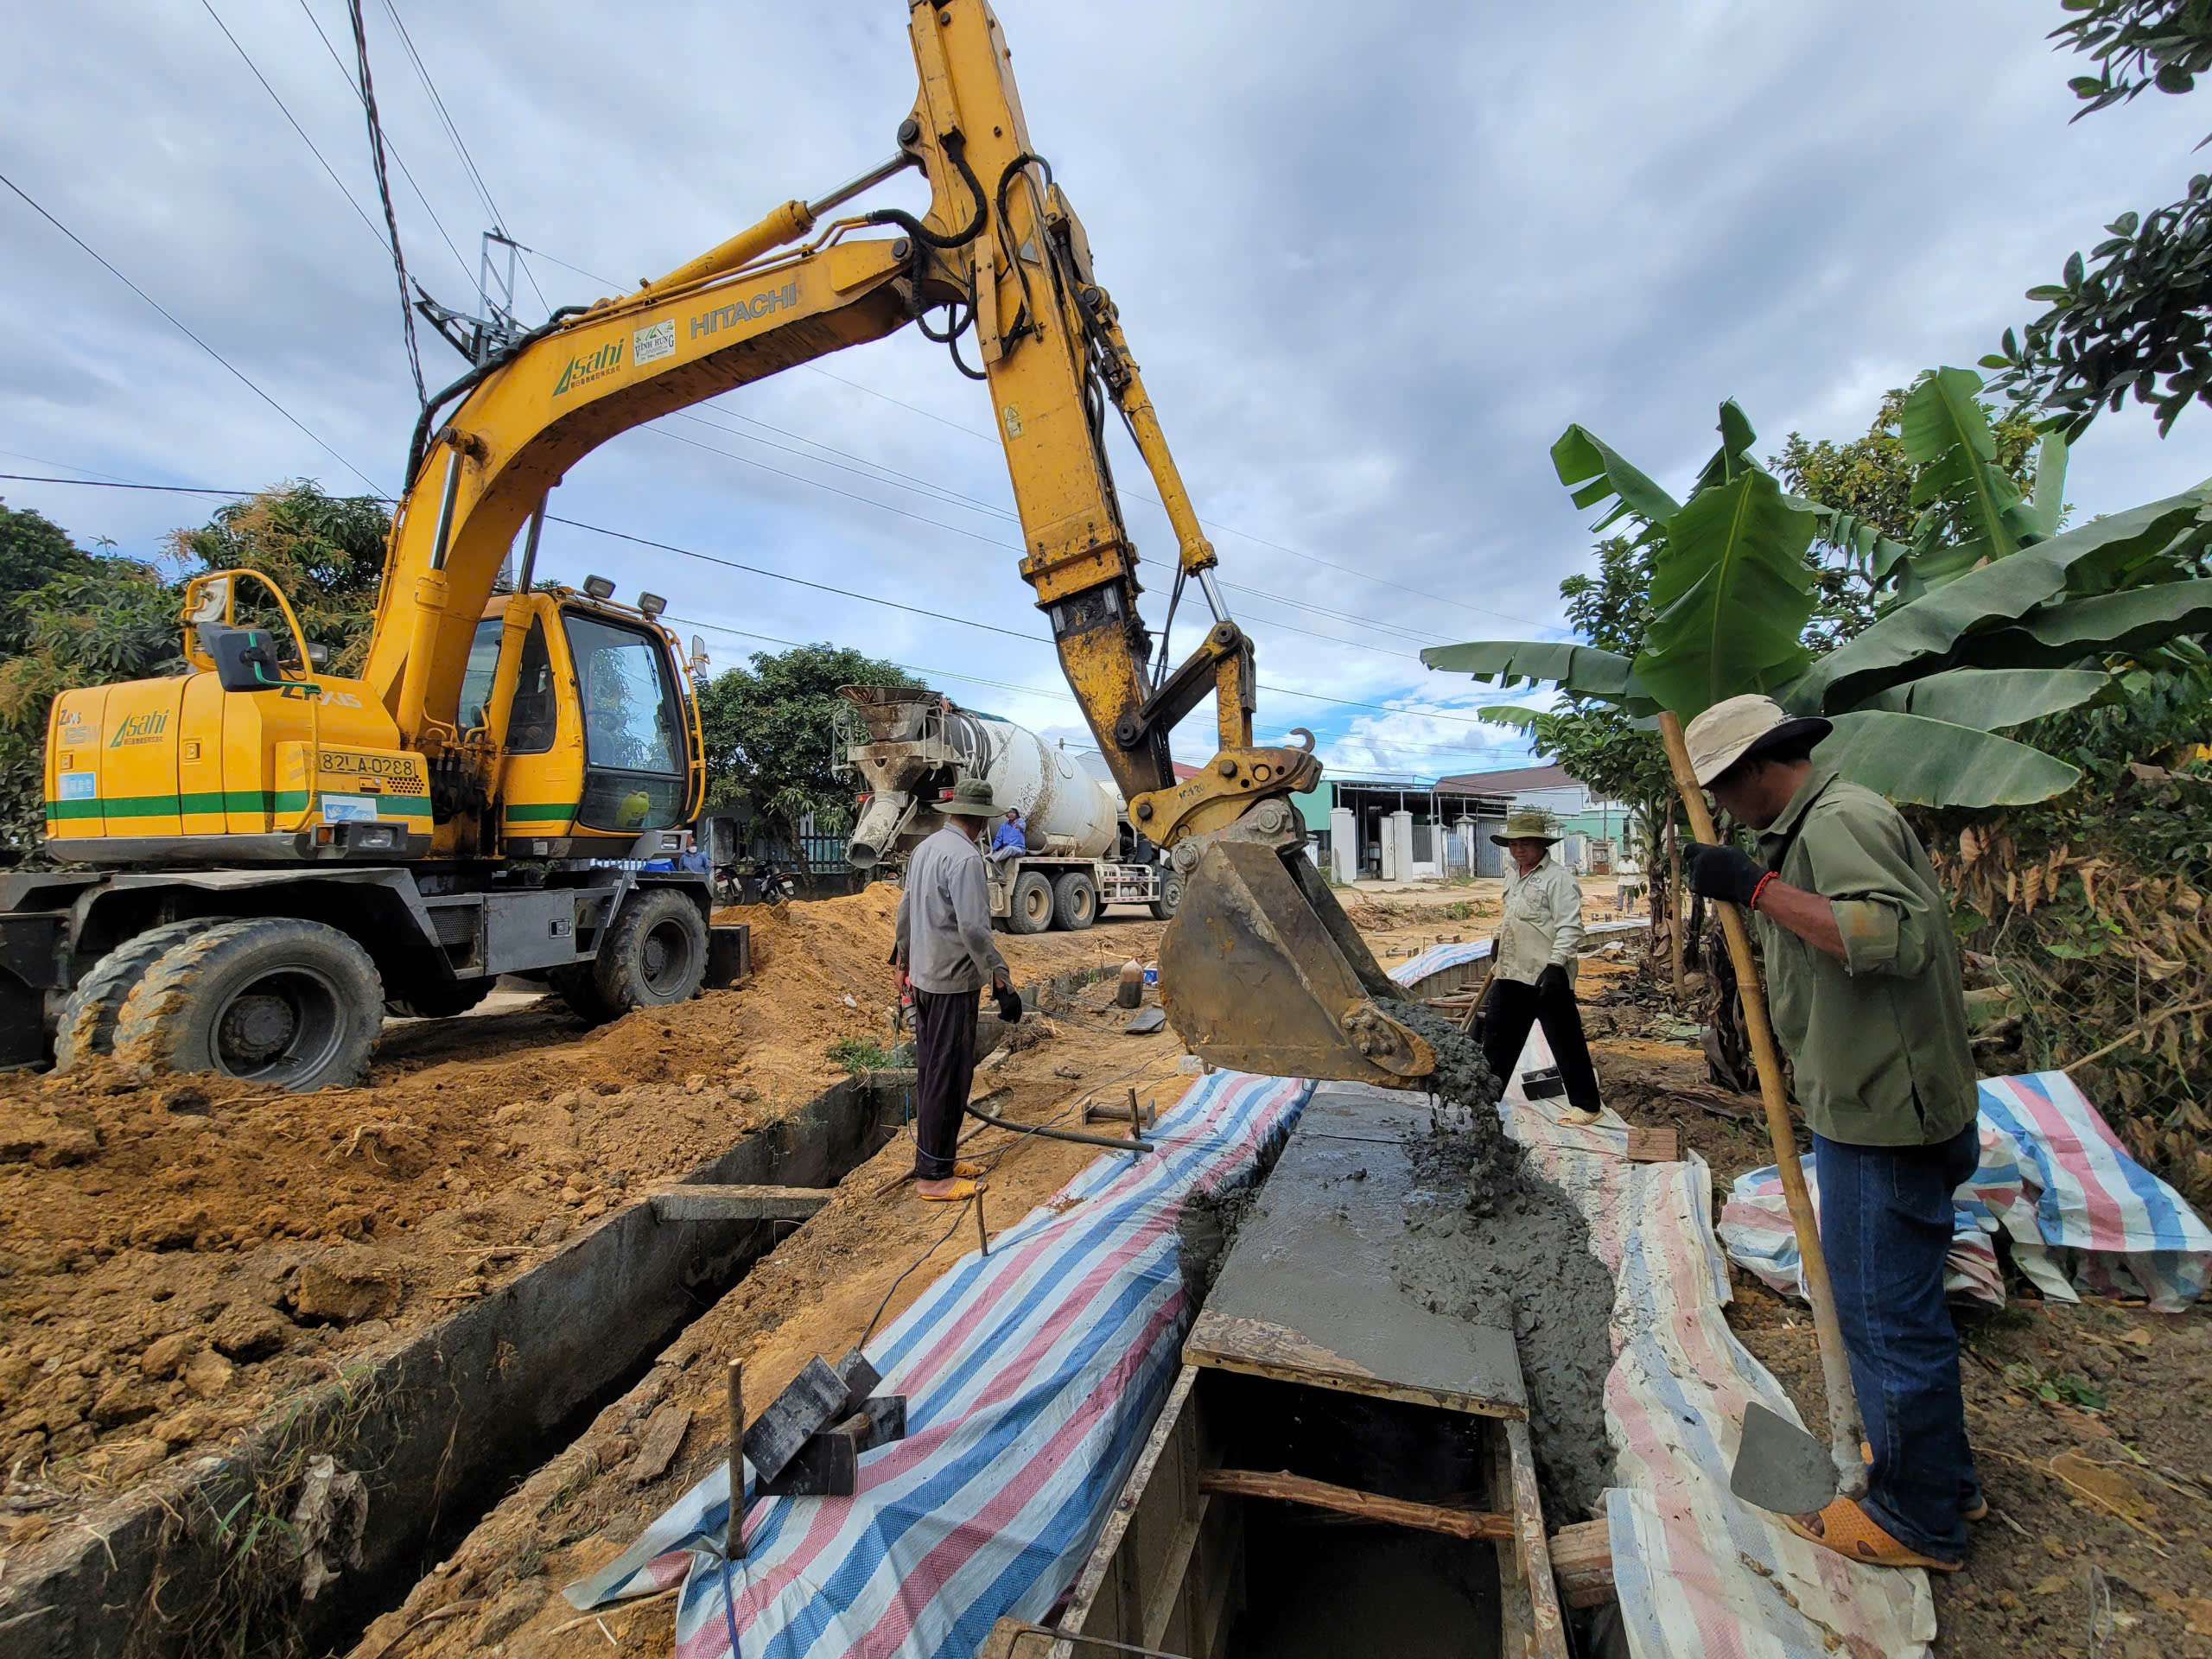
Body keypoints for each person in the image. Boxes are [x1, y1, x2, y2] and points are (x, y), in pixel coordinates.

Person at [1679, 693, 1981, 1573]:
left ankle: (1915, 1518)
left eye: (1724, 792)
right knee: (1901, 1310)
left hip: (1885, 1116)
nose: (1726, 810)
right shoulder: (1821, 825)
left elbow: (1886, 939)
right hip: (1878, 1100)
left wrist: (1758, 890)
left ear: (1760, 769)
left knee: (1882, 1318)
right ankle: (1940, 1477)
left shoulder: (1836, 822)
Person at [893, 777, 1014, 1202]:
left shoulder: (925, 849)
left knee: (934, 1074)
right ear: (981, 821)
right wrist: (1001, 978)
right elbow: (976, 931)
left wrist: (902, 963)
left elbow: (904, 912)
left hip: (924, 979)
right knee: (948, 1078)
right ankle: (933, 1178)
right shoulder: (965, 860)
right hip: (951, 986)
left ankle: (939, 1159)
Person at [1478, 807, 1601, 1122]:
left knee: (1564, 1039)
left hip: (1546, 974)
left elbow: (1570, 926)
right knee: (1497, 1037)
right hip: (1512, 970)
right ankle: (1486, 1100)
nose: (1518, 850)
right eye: (1513, 844)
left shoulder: (1558, 879)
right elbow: (1511, 914)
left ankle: (1587, 1106)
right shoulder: (1512, 875)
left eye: (1525, 844)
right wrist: (1497, 937)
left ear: (1542, 845)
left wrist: (1557, 966)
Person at [988, 805, 1027, 870]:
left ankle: (991, 858)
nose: (1011, 814)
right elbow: (998, 840)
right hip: (1005, 850)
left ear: (1017, 815)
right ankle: (999, 875)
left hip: (1018, 850)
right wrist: (992, 849)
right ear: (1007, 814)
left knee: (1010, 848)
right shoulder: (1003, 825)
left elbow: (1022, 826)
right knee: (994, 854)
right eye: (1010, 812)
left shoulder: (1021, 823)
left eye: (1014, 813)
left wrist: (1018, 826)